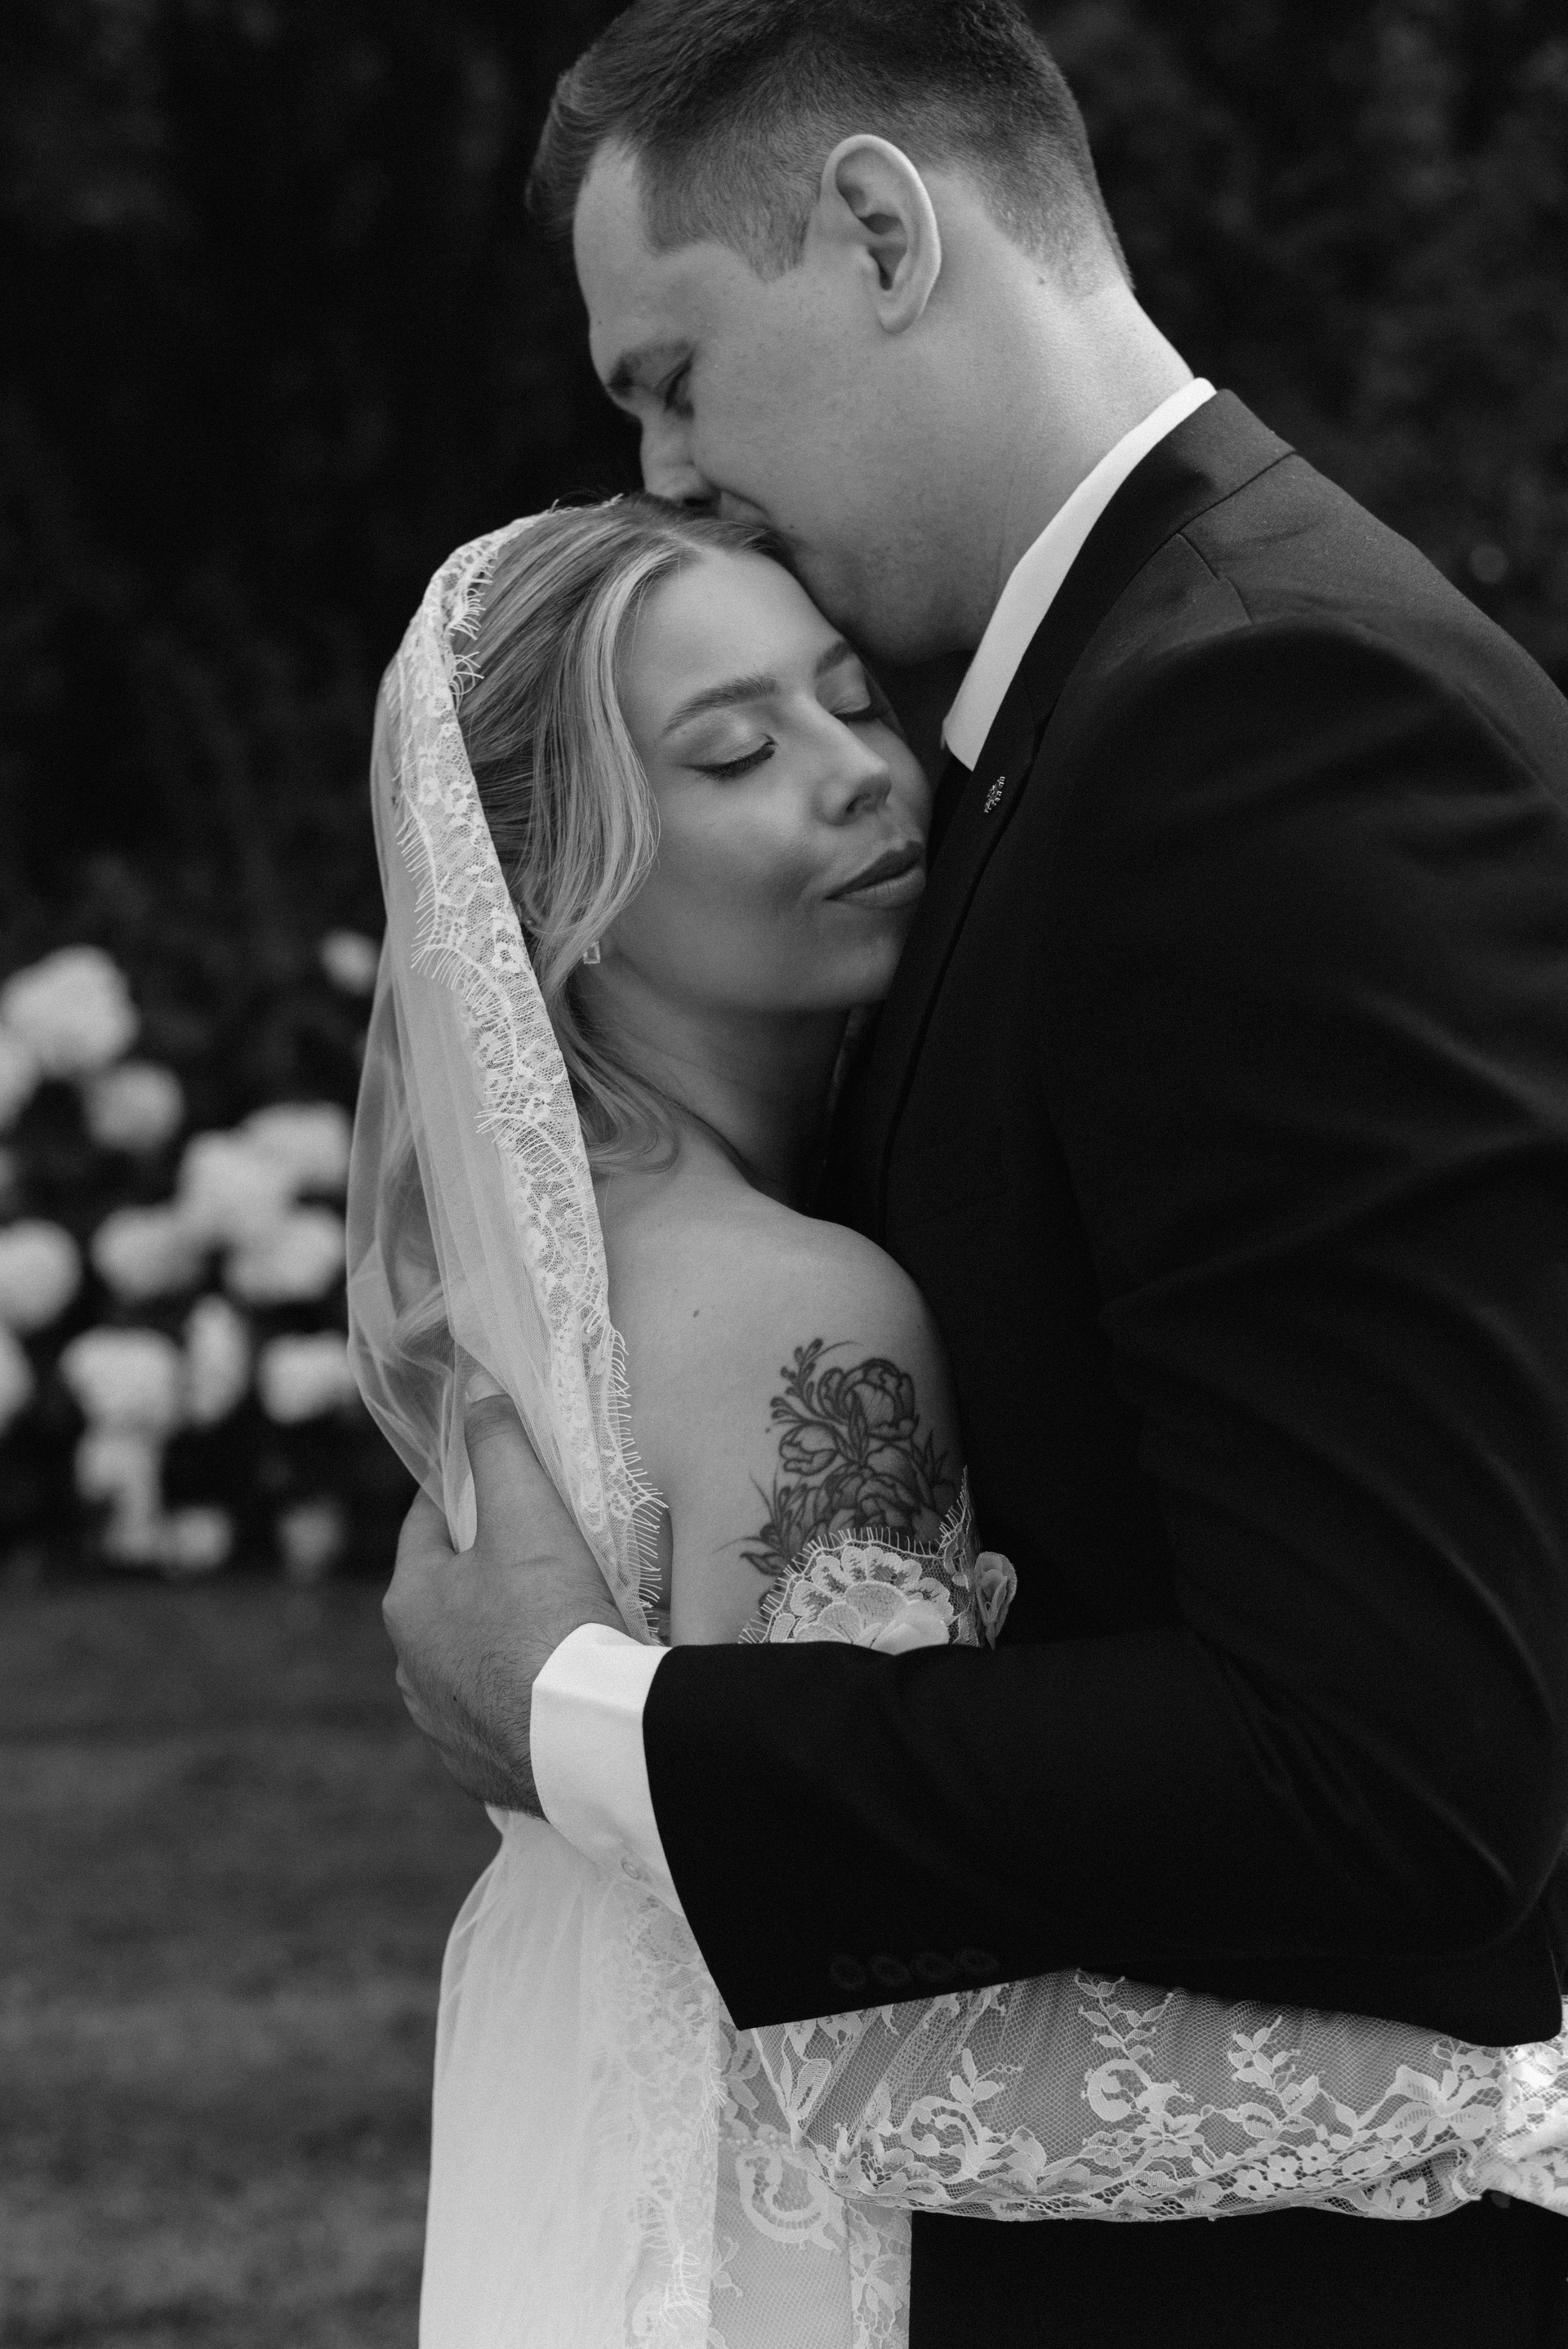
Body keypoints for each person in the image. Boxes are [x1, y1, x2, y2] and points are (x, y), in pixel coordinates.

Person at [381, 3, 1568, 2342]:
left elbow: (1400, 1767)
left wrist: (586, 1718)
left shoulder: (1262, 723)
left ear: (879, 230)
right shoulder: (1081, 728)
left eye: (673, 377)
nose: (667, 473)